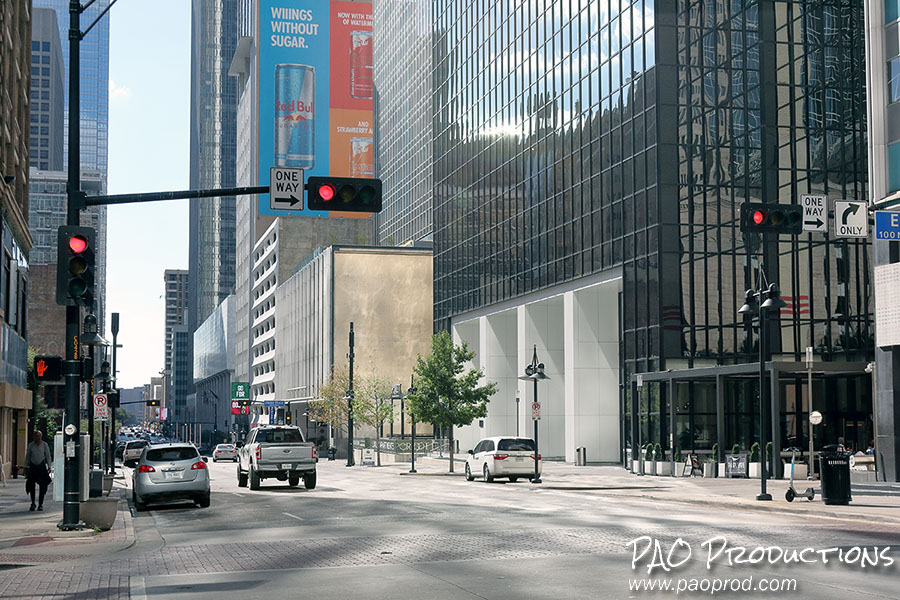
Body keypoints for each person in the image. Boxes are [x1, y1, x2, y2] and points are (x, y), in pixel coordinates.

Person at [25, 430, 52, 511]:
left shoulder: (44, 445)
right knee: (31, 485)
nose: (38, 437)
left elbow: (48, 456)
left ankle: (40, 504)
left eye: (40, 436)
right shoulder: (31, 445)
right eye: (37, 436)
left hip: (41, 466)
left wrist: (49, 466)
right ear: (34, 437)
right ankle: (33, 503)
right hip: (33, 466)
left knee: (43, 486)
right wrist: (26, 467)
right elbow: (28, 457)